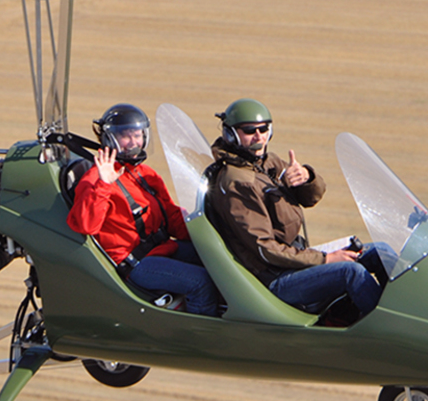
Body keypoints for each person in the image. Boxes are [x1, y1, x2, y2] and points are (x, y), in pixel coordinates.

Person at [206, 98, 385, 319]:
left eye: (263, 129)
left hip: (296, 261)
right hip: (274, 279)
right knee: (351, 273)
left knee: (381, 252)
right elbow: (265, 249)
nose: (259, 136)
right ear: (231, 135)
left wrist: (306, 177)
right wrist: (324, 259)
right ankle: (389, 333)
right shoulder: (238, 182)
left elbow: (311, 198)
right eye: (249, 130)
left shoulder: (266, 163)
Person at [66, 103, 220, 317]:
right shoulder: (94, 181)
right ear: (110, 139)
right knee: (200, 283)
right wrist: (104, 184)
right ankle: (202, 342)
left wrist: (209, 233)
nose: (133, 143)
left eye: (137, 135)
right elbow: (85, 225)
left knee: (219, 259)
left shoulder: (145, 175)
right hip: (137, 264)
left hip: (162, 249)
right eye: (126, 136)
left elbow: (172, 217)